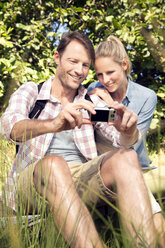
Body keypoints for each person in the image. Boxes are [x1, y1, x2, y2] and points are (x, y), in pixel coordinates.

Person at [0, 31, 159, 248]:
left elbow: (119, 140)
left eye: (85, 65)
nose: (78, 70)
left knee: (127, 156)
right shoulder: (32, 92)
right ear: (57, 58)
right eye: (73, 61)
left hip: (78, 177)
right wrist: (53, 124)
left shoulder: (91, 100)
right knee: (54, 165)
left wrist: (127, 131)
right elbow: (9, 128)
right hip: (34, 178)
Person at [88, 35, 165, 246]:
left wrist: (111, 103)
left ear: (124, 65)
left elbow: (133, 143)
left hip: (134, 161)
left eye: (110, 72)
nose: (105, 80)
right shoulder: (93, 90)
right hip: (103, 164)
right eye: (99, 74)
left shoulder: (146, 96)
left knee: (132, 173)